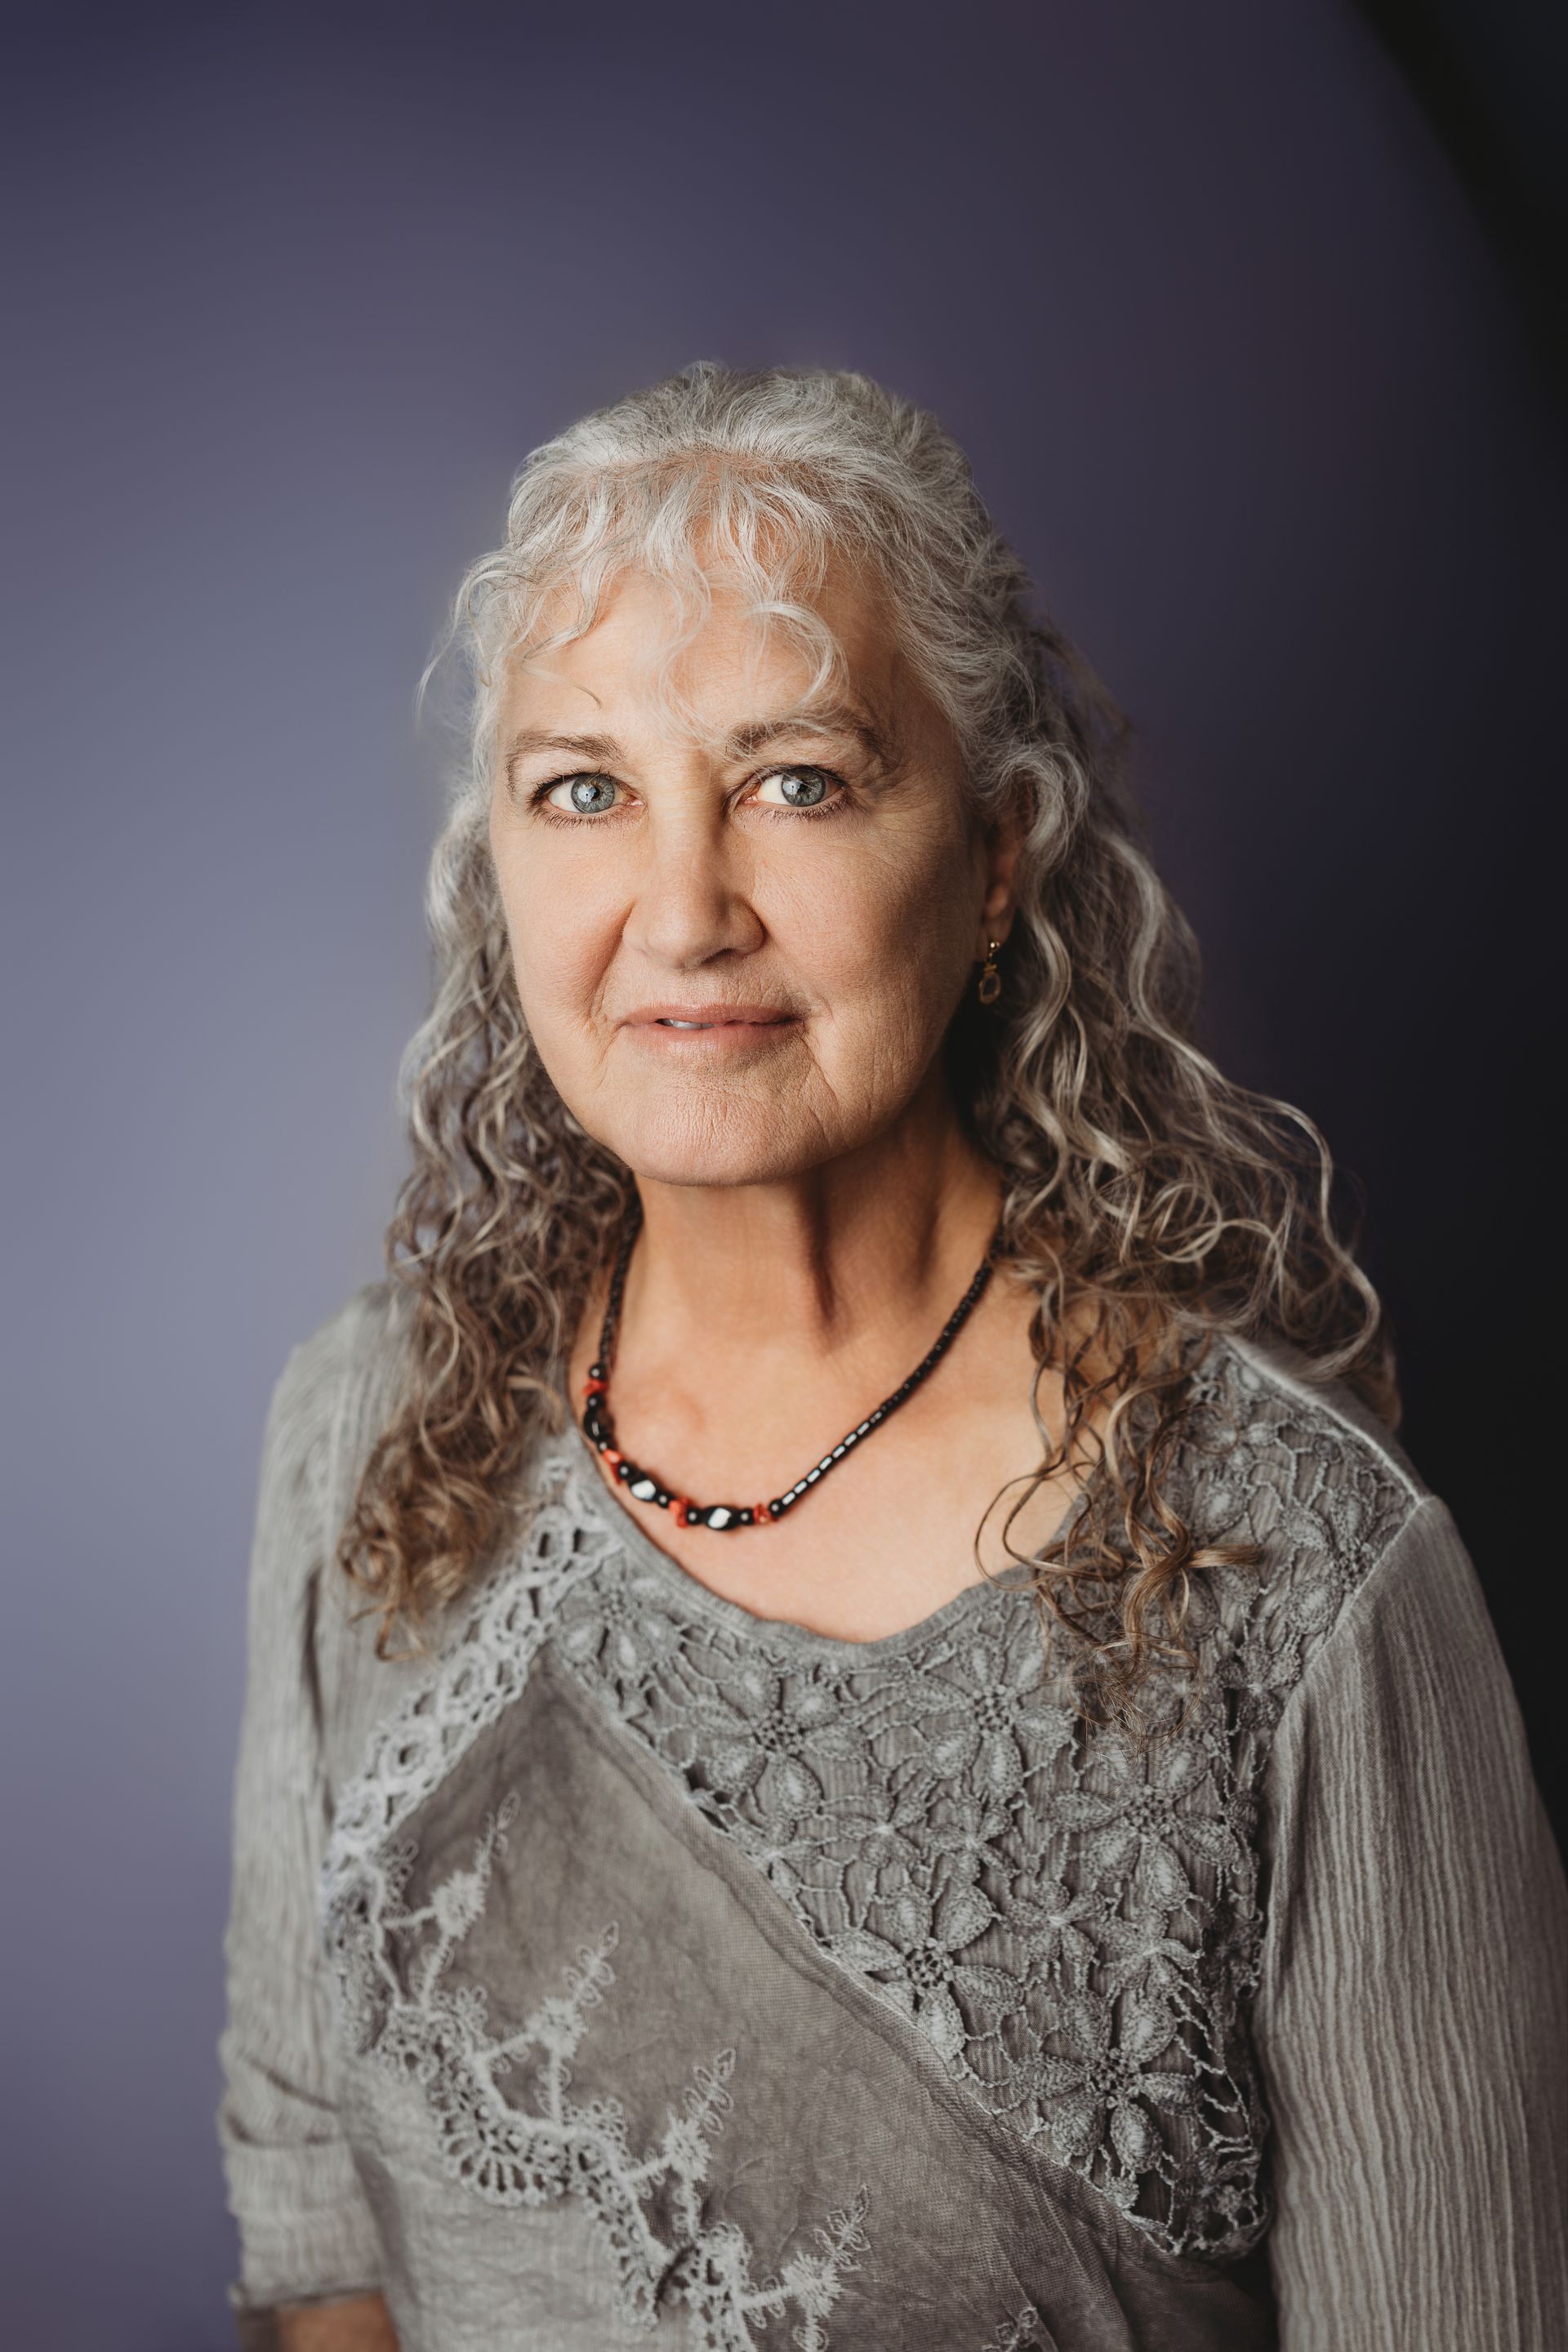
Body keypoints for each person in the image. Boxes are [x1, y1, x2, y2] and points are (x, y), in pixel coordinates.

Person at [216, 364, 1566, 2352]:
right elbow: (321, 2238)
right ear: (496, 863)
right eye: (584, 789)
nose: (685, 914)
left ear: (998, 855)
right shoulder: (373, 1427)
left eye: (798, 781)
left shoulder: (1306, 1576)